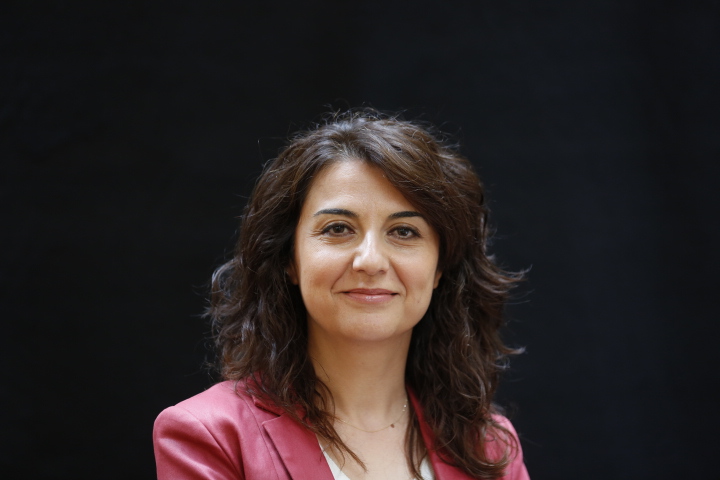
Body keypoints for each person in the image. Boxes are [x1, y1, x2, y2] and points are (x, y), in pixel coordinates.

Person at [153, 109, 530, 480]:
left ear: (440, 267)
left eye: (404, 232)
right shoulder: (211, 436)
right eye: (338, 228)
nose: (370, 261)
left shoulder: (489, 448)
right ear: (289, 259)